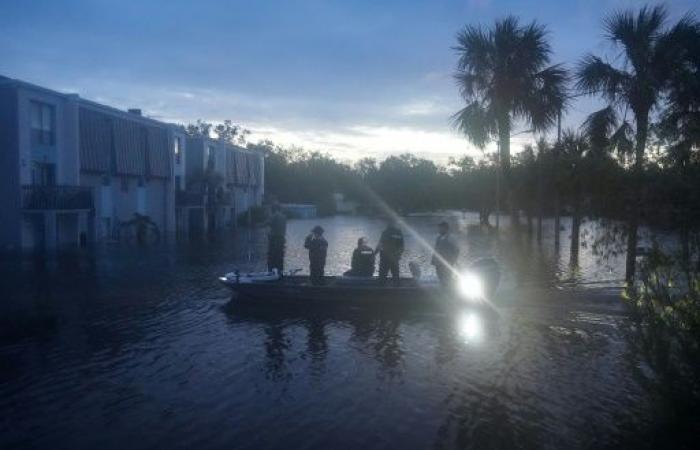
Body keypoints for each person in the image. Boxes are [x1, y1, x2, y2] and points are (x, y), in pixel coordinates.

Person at [431, 221, 459, 287]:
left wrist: (453, 260)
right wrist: (434, 260)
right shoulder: (438, 238)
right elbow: (436, 250)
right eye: (439, 228)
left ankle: (448, 290)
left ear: (446, 228)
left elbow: (457, 250)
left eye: (440, 228)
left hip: (447, 262)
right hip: (438, 263)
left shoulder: (451, 237)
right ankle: (443, 289)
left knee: (447, 278)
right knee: (440, 277)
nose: (439, 230)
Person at [377, 218, 404, 286]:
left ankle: (381, 291)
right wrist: (398, 255)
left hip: (385, 258)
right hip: (394, 258)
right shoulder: (399, 232)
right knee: (396, 276)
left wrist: (374, 254)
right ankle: (397, 290)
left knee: (382, 278)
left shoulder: (385, 232)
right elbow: (402, 246)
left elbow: (380, 244)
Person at [266, 203, 287, 274]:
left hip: (274, 239)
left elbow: (268, 223)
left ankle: (270, 273)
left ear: (273, 209)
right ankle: (280, 272)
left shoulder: (274, 216)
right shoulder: (283, 216)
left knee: (271, 256)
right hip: (281, 239)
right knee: (280, 256)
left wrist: (257, 225)